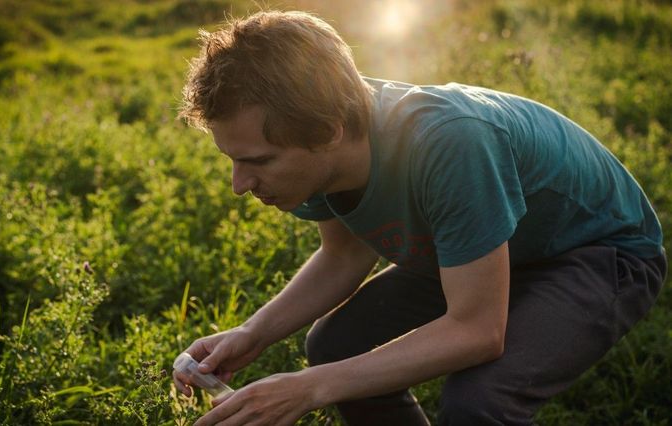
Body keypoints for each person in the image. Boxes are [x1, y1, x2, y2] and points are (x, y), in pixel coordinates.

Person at [173, 10, 667, 426]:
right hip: (490, 250)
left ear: (327, 132)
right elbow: (342, 255)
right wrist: (252, 334)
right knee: (336, 344)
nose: (240, 184)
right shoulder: (326, 145)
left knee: (478, 401)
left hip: (597, 253)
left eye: (258, 161)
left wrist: (309, 388)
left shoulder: (451, 143)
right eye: (233, 160)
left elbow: (477, 331)